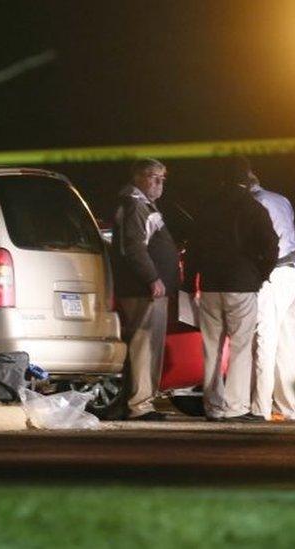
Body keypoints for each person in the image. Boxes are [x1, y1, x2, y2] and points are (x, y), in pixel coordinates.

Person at [187, 157, 278, 422]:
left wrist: (190, 282)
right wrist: (261, 274)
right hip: (242, 284)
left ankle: (212, 406)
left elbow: (194, 247)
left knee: (211, 347)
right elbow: (271, 246)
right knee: (240, 345)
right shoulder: (254, 208)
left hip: (211, 285)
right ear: (248, 179)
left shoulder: (207, 207)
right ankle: (235, 406)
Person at [238, 160, 295, 421]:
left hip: (273, 275)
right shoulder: (282, 199)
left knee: (265, 342)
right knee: (288, 344)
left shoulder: (251, 204)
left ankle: (261, 408)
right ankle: (288, 407)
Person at [111, 158, 180, 421]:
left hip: (148, 290)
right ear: (138, 177)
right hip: (143, 290)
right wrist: (152, 278)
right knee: (144, 345)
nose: (160, 183)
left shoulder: (143, 205)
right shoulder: (135, 205)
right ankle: (140, 404)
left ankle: (141, 401)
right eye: (154, 177)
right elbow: (134, 247)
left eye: (163, 178)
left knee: (147, 345)